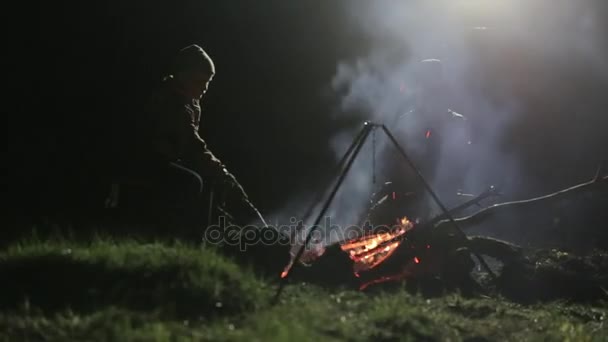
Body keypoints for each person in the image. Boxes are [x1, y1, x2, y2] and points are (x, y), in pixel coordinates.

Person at [119, 44, 261, 231]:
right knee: (193, 182)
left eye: (207, 82)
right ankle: (186, 238)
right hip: (147, 160)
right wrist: (219, 171)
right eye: (199, 81)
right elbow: (192, 144)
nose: (204, 88)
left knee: (209, 183)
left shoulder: (190, 104)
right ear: (183, 76)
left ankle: (232, 233)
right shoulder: (172, 102)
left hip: (167, 159)